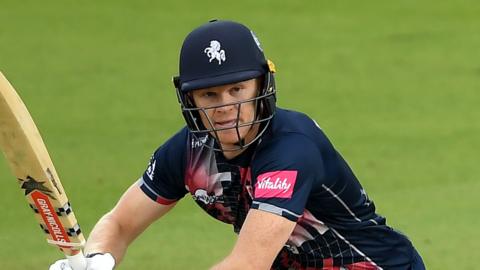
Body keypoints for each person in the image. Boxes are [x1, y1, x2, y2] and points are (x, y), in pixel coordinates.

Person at [50, 19, 425, 270]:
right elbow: (119, 223)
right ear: (190, 100)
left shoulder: (291, 149)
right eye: (210, 95)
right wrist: (96, 258)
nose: (227, 107)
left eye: (237, 89)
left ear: (262, 85)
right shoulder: (188, 152)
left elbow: (248, 264)